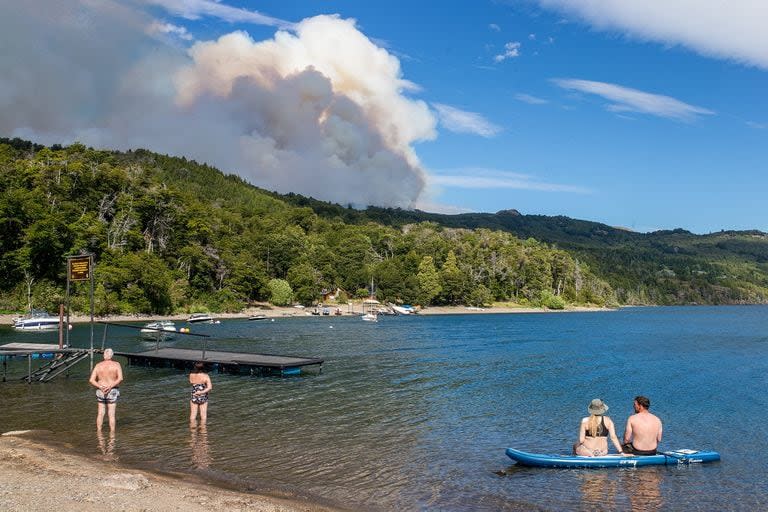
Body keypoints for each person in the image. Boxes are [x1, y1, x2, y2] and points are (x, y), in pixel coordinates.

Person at [88, 348, 123, 432]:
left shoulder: (98, 365)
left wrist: (100, 387)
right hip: (112, 390)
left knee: (100, 413)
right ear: (112, 355)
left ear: (104, 355)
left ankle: (99, 432)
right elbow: (120, 378)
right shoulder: (116, 364)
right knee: (111, 414)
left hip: (101, 390)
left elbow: (91, 380)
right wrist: (110, 386)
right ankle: (112, 436)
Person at [189, 361, 212, 426]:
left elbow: (191, 382)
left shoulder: (191, 375)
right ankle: (203, 432)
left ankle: (193, 433)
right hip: (203, 395)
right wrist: (201, 392)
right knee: (203, 415)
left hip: (194, 394)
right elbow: (210, 387)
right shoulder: (206, 376)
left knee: (193, 415)